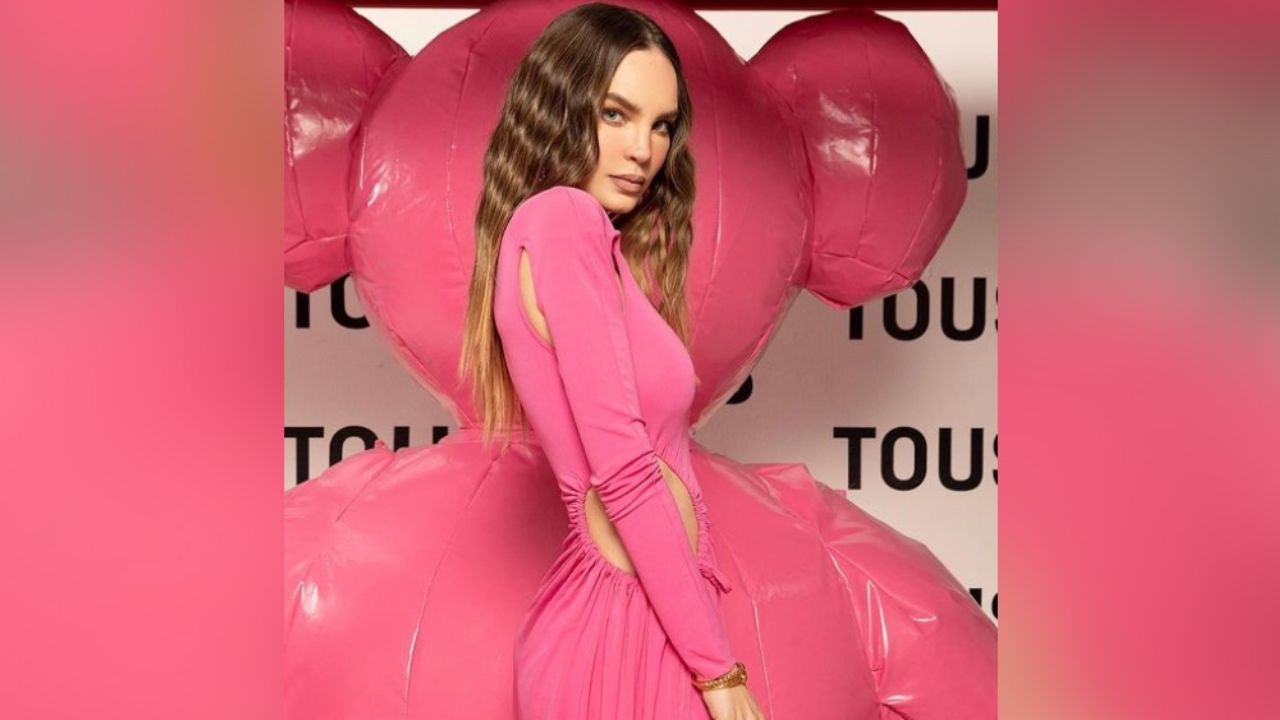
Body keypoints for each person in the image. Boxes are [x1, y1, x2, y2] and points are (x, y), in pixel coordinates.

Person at [458, 4, 766, 719]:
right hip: (619, 642)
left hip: (643, 625)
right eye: (616, 114)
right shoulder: (562, 220)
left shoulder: (577, 237)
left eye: (661, 126)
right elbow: (624, 468)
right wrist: (720, 674)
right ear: (561, 110)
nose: (643, 150)